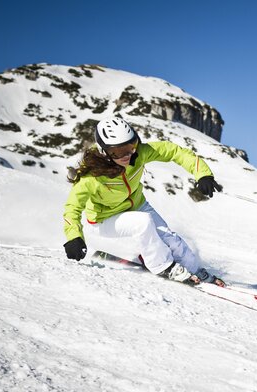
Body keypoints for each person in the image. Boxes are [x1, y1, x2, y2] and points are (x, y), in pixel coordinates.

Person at [62, 117, 225, 286]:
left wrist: (203, 174)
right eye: (117, 152)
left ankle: (194, 270)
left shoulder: (140, 153)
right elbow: (72, 208)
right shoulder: (91, 176)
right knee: (142, 223)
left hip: (137, 204)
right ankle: (162, 266)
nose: (126, 155)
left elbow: (175, 152)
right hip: (103, 220)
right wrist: (74, 237)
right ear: (105, 152)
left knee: (172, 240)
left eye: (130, 146)